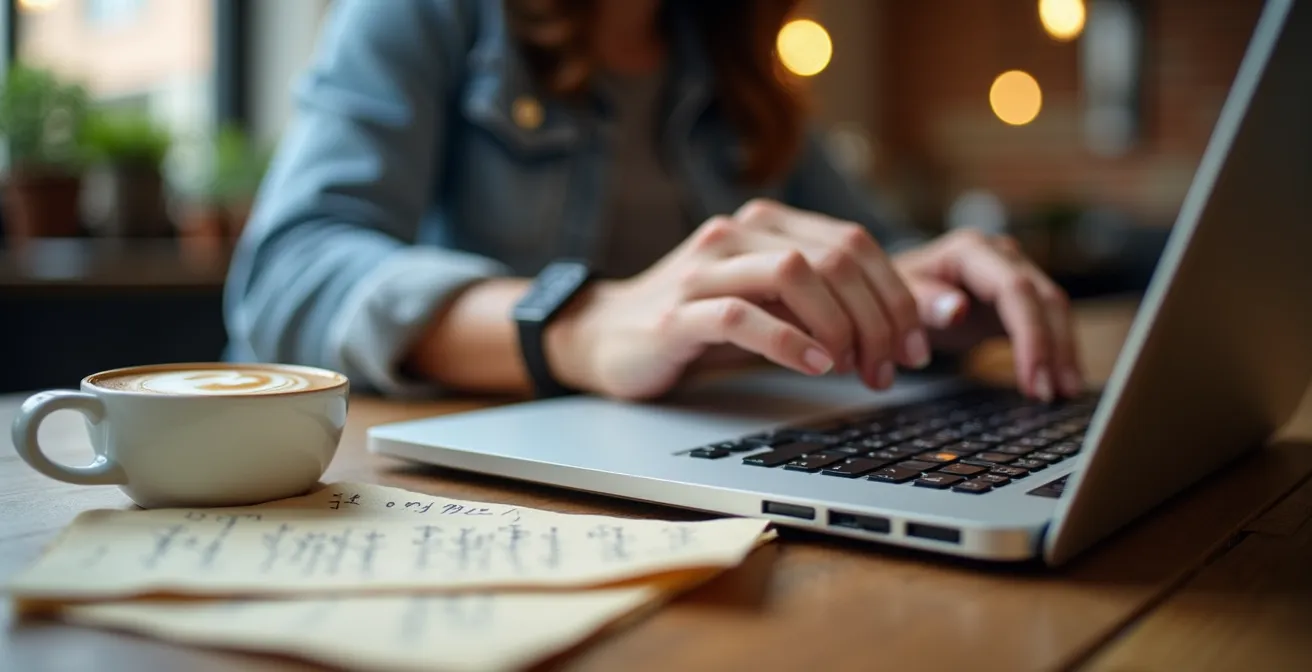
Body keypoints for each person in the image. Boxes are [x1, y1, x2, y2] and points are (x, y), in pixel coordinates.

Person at [223, 0, 1083, 403]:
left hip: (687, 482)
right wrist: (581, 327)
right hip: (433, 491)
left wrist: (926, 297)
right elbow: (287, 276)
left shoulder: (734, 67)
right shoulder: (428, 16)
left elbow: (872, 251)